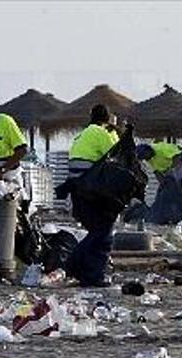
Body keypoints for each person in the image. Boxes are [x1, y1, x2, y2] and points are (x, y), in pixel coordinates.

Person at [65, 104, 119, 287]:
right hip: (92, 189)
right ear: (107, 118)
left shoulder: (84, 134)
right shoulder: (100, 133)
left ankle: (88, 274)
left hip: (77, 189)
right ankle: (76, 265)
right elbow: (117, 156)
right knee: (104, 232)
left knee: (98, 231)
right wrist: (116, 131)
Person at [136, 141, 182, 225]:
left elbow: (178, 156)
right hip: (169, 167)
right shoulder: (149, 159)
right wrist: (163, 184)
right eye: (144, 158)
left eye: (146, 156)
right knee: (165, 188)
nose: (147, 159)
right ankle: (167, 214)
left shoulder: (161, 149)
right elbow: (157, 172)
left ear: (148, 151)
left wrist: (171, 171)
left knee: (177, 184)